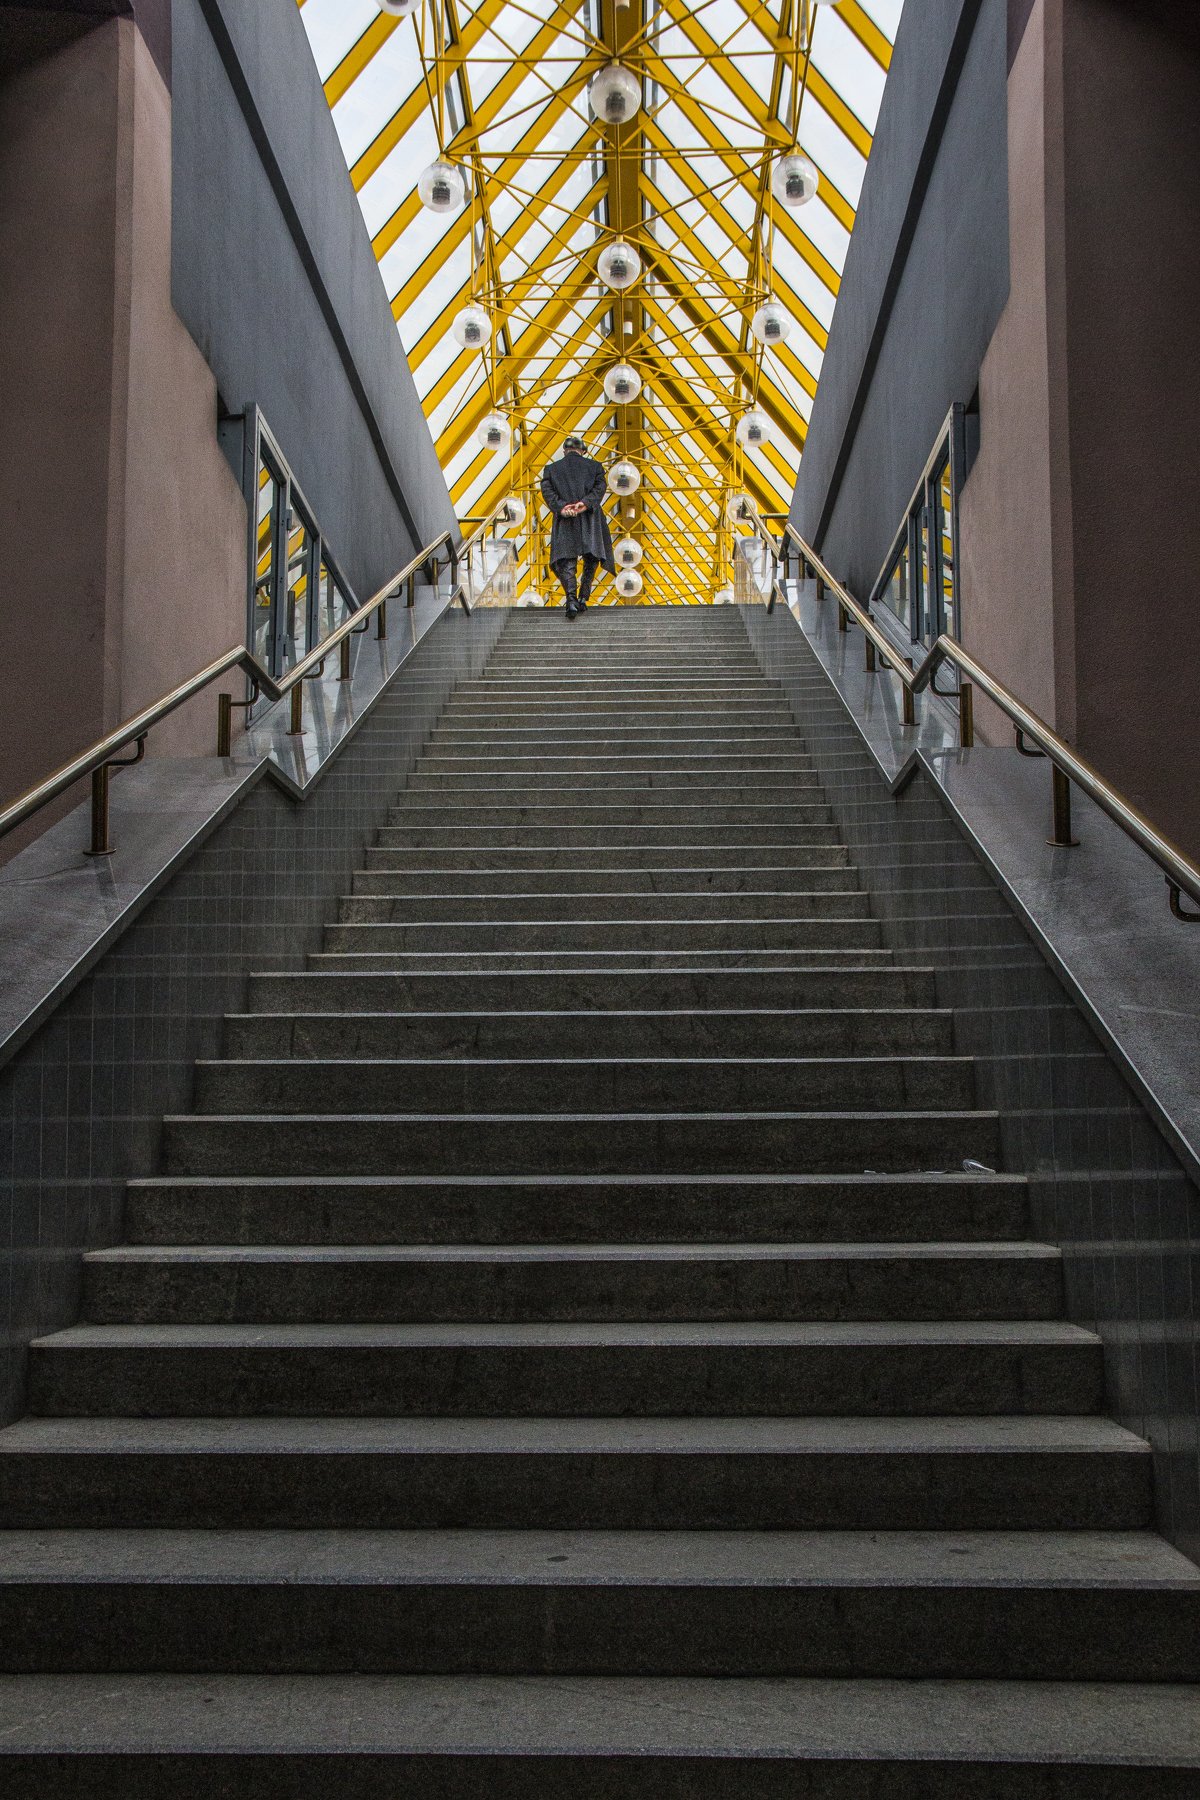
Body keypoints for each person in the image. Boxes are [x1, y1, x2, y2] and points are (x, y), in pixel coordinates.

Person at [540, 435, 616, 618]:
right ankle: (583, 597)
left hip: (565, 519)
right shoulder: (595, 467)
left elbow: (547, 492)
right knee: (592, 558)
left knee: (567, 560)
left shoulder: (551, 469)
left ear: (565, 451)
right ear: (583, 451)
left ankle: (571, 600)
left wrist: (563, 507)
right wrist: (585, 503)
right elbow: (599, 489)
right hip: (590, 518)